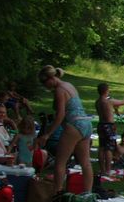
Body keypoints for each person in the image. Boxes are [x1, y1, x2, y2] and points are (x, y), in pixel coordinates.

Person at [37, 65, 95, 194]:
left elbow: (60, 115)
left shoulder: (59, 90)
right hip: (86, 123)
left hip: (73, 125)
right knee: (85, 162)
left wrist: (47, 134)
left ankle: (57, 193)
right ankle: (87, 194)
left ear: (50, 79)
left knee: (60, 161)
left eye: (44, 83)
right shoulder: (69, 85)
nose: (45, 86)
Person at [95, 82, 124, 178]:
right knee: (109, 148)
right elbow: (122, 102)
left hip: (101, 125)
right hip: (109, 126)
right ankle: (108, 170)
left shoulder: (97, 102)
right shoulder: (109, 101)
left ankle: (102, 169)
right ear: (106, 91)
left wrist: (115, 110)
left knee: (101, 147)